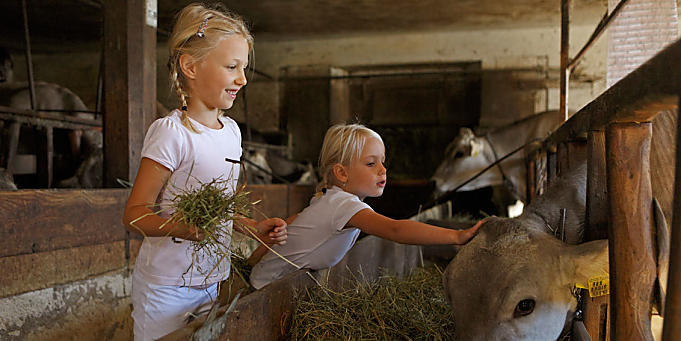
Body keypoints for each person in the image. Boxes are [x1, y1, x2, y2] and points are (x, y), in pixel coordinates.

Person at [121, 4, 287, 340]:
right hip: (167, 288)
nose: (242, 78)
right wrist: (183, 227)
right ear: (190, 65)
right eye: (231, 67)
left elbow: (222, 209)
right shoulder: (172, 132)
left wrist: (253, 227)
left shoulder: (232, 133)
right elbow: (134, 215)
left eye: (243, 67)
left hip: (214, 280)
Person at [248, 123, 485, 289]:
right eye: (371, 163)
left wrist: (252, 261)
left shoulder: (330, 198)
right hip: (268, 287)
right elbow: (395, 230)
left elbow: (292, 221)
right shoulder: (343, 205)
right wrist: (457, 235)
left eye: (383, 162)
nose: (382, 170)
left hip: (267, 283)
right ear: (341, 173)